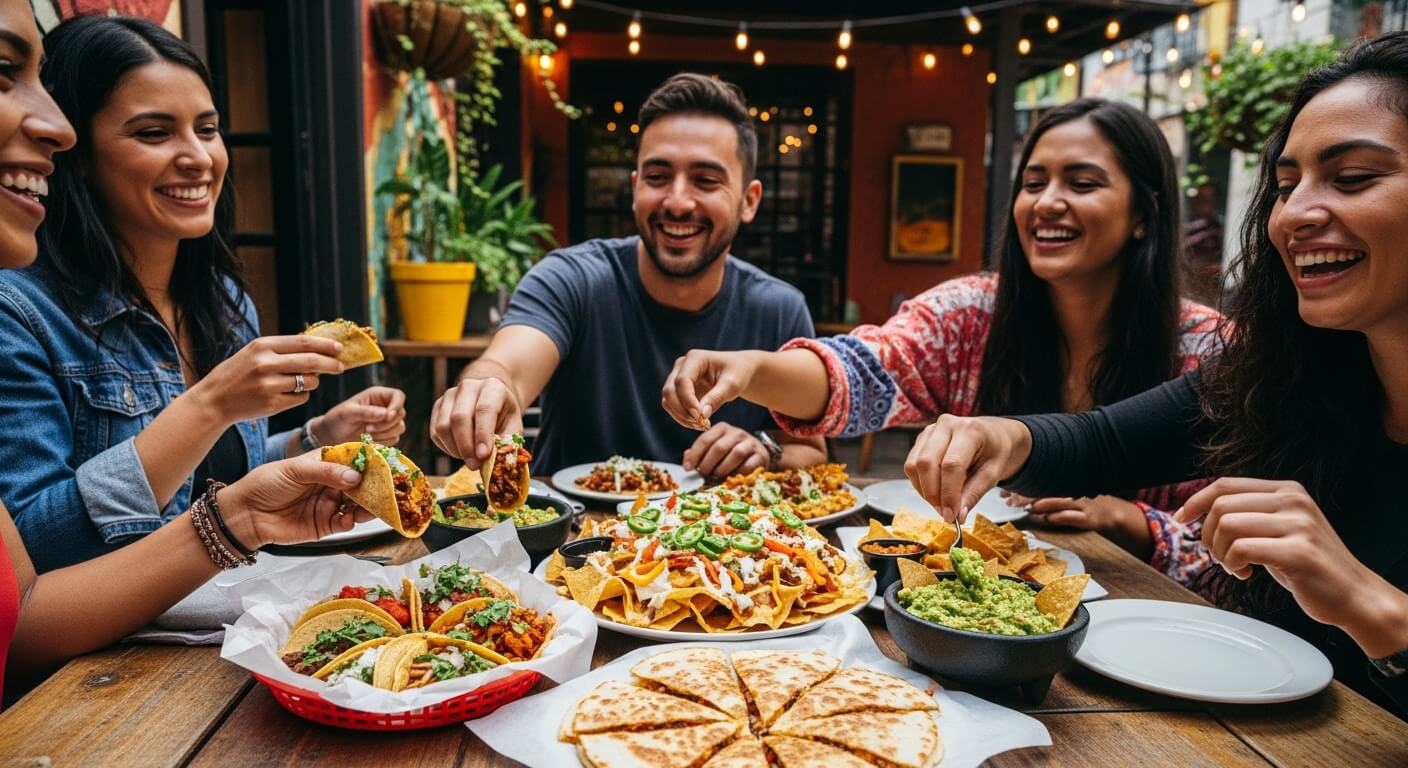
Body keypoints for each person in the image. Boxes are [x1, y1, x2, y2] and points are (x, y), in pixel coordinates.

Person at [898, 33, 1408, 717]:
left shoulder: (1207, 337)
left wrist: (1375, 610)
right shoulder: (1285, 378)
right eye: (1285, 187)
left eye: (1352, 179)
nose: (1297, 215)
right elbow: (1102, 443)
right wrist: (1004, 436)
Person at [663, 98, 1220, 574]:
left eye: (1082, 183)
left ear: (1144, 212)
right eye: (1033, 183)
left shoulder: (1210, 352)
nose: (1047, 201)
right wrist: (753, 371)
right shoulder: (971, 313)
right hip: (973, 617)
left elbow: (1259, 563)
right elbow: (865, 370)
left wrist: (1139, 526)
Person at [0, 2, 369, 706]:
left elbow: (221, 479)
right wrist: (210, 404)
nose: (198, 157)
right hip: (94, 693)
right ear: (76, 152)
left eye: (207, 128)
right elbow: (28, 570)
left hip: (235, 648)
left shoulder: (225, 304)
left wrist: (315, 438)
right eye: (153, 132)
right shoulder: (19, 310)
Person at [430, 73, 825, 478]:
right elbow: (507, 366)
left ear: (749, 201)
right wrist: (487, 388)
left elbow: (810, 449)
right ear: (635, 187)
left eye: (706, 181)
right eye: (657, 177)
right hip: (572, 537)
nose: (677, 201)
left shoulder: (779, 308)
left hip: (725, 536)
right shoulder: (572, 279)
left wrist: (765, 447)